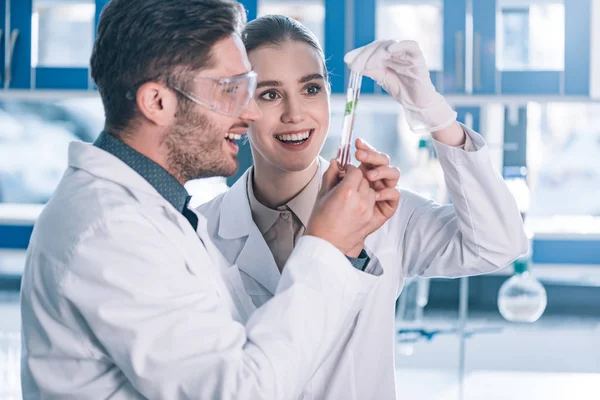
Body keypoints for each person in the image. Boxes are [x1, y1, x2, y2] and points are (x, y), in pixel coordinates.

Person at [18, 2, 398, 399]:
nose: (251, 112)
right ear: (158, 102)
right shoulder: (114, 233)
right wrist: (328, 247)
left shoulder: (153, 213)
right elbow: (238, 392)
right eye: (231, 90)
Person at [198, 15, 530, 399]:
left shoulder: (383, 212)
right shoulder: (202, 235)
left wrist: (435, 115)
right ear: (239, 105)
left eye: (311, 89)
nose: (294, 113)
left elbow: (499, 244)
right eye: (269, 94)